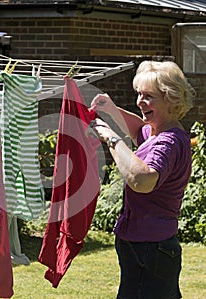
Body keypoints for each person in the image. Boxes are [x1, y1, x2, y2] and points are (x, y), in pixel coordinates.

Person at [89, 60, 195, 299]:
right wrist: (111, 108)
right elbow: (139, 130)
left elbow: (142, 180)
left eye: (149, 96)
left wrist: (111, 138)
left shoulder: (167, 142)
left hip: (150, 247)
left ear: (171, 99)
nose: (139, 101)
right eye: (138, 94)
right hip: (149, 244)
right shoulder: (159, 130)